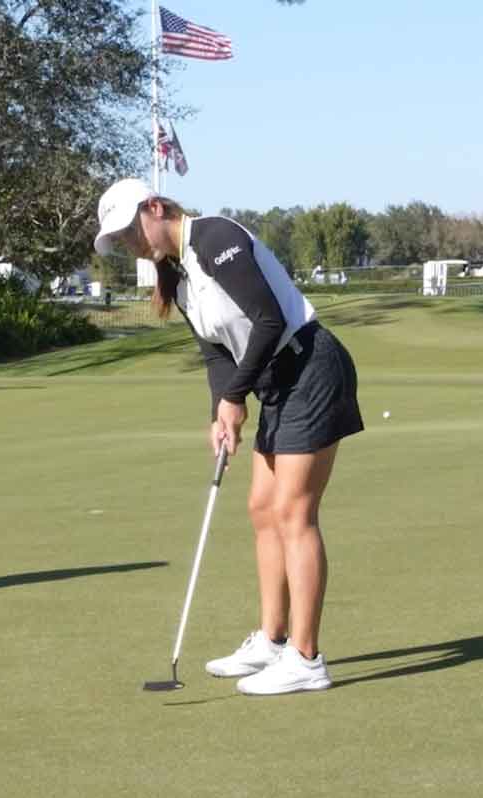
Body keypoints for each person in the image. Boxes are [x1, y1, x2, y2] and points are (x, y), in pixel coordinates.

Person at [93, 178, 363, 695]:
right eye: (119, 238)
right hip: (276, 383)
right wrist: (221, 412)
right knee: (262, 508)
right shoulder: (179, 276)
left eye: (130, 229)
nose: (128, 242)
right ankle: (272, 638)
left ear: (155, 207)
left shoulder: (215, 239)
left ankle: (306, 659)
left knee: (293, 512)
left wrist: (235, 397)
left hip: (311, 367)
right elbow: (217, 354)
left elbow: (268, 320)